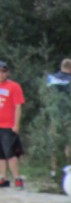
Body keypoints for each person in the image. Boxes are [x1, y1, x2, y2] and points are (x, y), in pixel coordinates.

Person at [46, 58, 71, 178]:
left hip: (55, 114)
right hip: (70, 115)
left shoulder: (51, 78)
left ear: (61, 66)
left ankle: (54, 169)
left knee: (55, 143)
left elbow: (47, 93)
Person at [0, 60, 25, 190]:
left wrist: (16, 124)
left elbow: (18, 106)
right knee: (1, 154)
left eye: (4, 71)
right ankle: (3, 178)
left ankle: (17, 178)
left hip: (8, 125)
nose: (2, 74)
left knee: (10, 153)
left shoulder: (14, 86)